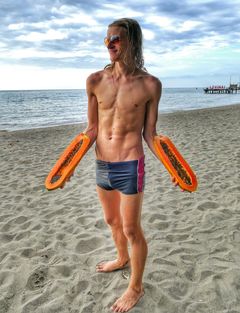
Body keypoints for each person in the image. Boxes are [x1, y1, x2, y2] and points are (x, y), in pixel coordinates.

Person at [83, 18, 162, 312]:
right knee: (112, 222)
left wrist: (173, 168)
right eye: (107, 39)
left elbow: (150, 135)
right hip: (101, 164)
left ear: (132, 42)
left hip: (131, 164)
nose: (110, 44)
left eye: (116, 39)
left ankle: (136, 287)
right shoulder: (94, 81)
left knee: (131, 229)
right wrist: (66, 166)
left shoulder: (150, 85)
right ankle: (121, 258)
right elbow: (91, 130)